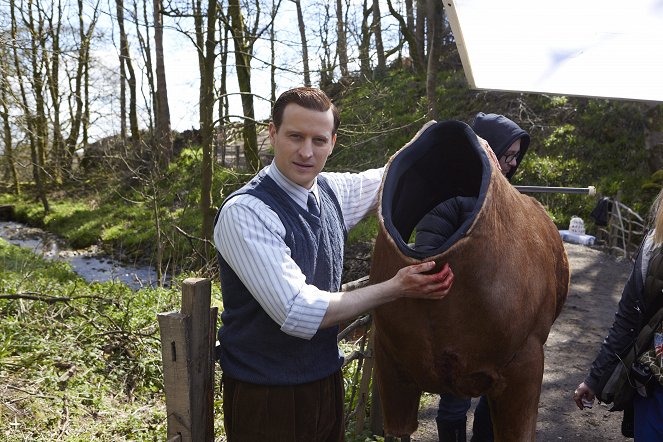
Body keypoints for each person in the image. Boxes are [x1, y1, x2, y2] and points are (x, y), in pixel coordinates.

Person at [213, 86, 455, 441]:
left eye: (319, 140)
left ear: (333, 142)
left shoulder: (330, 191)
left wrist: (447, 144)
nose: (307, 152)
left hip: (324, 379)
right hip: (266, 394)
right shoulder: (247, 212)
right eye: (295, 136)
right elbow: (298, 312)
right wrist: (396, 287)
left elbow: (386, 179)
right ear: (272, 133)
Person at [414, 112, 531, 441]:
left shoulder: (507, 201)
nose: (510, 165)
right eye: (506, 155)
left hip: (501, 327)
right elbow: (426, 258)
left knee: (492, 402)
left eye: (515, 158)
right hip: (456, 330)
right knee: (453, 406)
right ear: (488, 150)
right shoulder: (447, 198)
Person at [573, 188, 663, 440]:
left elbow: (625, 323)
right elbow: (627, 322)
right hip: (655, 387)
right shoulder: (653, 246)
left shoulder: (653, 245)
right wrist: (595, 379)